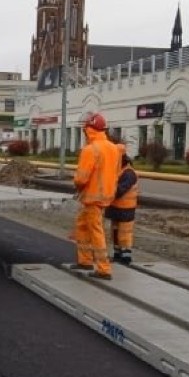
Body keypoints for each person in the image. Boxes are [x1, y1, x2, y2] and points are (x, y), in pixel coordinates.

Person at [72, 112, 122, 279]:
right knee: (82, 225)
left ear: (88, 130)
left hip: (92, 197)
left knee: (95, 230)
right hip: (106, 195)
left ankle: (103, 269)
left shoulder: (90, 149)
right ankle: (85, 260)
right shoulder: (114, 149)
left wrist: (76, 184)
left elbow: (81, 178)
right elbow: (115, 173)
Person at [105, 144, 139, 265]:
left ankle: (126, 256)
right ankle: (117, 253)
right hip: (115, 207)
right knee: (115, 231)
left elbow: (119, 190)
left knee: (124, 232)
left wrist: (107, 189)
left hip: (126, 209)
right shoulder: (117, 170)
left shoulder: (128, 173)